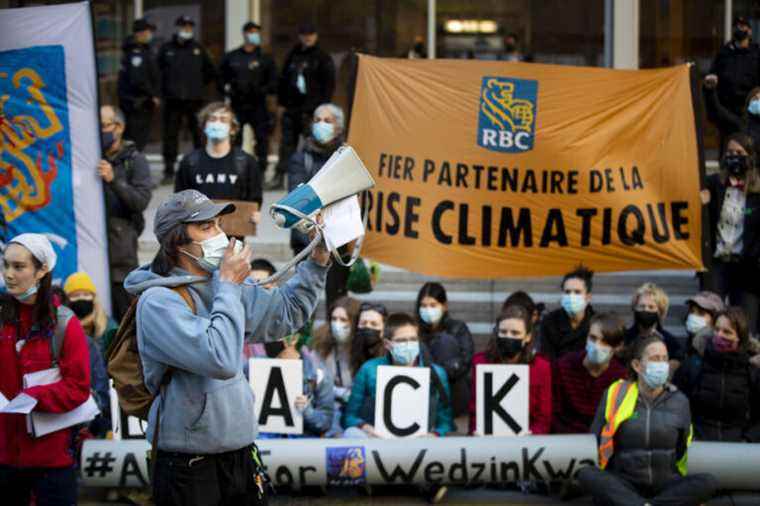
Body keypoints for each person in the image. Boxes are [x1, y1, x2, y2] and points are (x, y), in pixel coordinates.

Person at [122, 189, 330, 505]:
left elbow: (288, 313)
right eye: (206, 228)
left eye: (219, 225)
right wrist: (230, 286)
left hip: (240, 451)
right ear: (177, 242)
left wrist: (317, 261)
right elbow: (218, 358)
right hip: (187, 462)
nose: (220, 235)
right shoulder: (157, 302)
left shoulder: (224, 283)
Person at [0, 234, 90, 504]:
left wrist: (34, 396)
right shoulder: (3, 320)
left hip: (52, 461)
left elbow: (78, 387)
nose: (9, 274)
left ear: (41, 270)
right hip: (5, 457)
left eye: (19, 267)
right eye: (5, 265)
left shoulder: (65, 324)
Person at [577, 336, 718, 506]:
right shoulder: (616, 395)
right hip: (625, 482)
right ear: (637, 365)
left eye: (664, 359)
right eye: (654, 359)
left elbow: (682, 448)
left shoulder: (680, 401)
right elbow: (596, 437)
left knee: (708, 482)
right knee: (587, 474)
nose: (661, 364)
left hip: (666, 484)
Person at [342, 312, 455, 438]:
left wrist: (434, 434)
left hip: (422, 443)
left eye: (413, 339)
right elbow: (349, 416)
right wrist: (365, 427)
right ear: (387, 344)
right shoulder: (369, 369)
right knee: (351, 434)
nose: (408, 345)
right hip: (377, 439)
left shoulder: (436, 373)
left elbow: (445, 423)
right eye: (401, 340)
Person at [286, 103, 350, 308]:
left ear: (339, 127)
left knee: (337, 301)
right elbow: (298, 197)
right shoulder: (300, 158)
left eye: (328, 121)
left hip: (338, 241)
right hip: (305, 240)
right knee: (303, 298)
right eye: (317, 120)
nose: (321, 124)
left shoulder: (347, 158)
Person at [701, 132, 760, 335]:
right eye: (730, 152)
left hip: (747, 266)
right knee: (707, 317)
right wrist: (703, 204)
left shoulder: (757, 190)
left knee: (745, 324)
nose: (734, 156)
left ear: (750, 156)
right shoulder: (712, 183)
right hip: (718, 262)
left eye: (739, 152)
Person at [99, 105, 153, 321]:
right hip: (91, 249)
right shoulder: (86, 156)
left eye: (104, 126)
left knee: (124, 319)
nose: (100, 131)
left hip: (121, 255)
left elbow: (140, 201)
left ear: (119, 127)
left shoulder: (135, 160)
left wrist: (114, 180)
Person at [675, 307, 760, 442]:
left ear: (739, 338)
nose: (719, 335)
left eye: (727, 332)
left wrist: (748, 440)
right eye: (716, 329)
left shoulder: (752, 371)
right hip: (698, 448)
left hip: (740, 453)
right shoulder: (693, 365)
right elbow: (676, 407)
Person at [174, 102, 263, 229]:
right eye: (213, 119)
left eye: (223, 120)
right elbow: (180, 199)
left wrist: (255, 213)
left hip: (234, 236)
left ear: (232, 129)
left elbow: (255, 197)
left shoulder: (246, 162)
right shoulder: (189, 161)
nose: (217, 123)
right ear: (204, 126)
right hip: (198, 236)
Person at [268, 23, 336, 190]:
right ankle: (280, 177)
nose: (308, 37)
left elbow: (329, 84)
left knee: (313, 145)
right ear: (300, 36)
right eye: (305, 34)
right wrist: (281, 104)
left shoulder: (322, 57)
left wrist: (322, 109)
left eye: (311, 34)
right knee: (287, 146)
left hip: (312, 110)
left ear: (316, 36)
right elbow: (283, 80)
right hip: (292, 109)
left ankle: (314, 177)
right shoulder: (293, 55)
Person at [468, 305, 552, 435]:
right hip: (486, 439)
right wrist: (476, 431)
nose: (508, 337)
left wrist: (533, 433)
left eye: (515, 333)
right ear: (497, 333)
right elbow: (475, 409)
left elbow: (544, 416)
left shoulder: (541, 367)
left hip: (527, 442)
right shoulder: (480, 362)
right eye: (503, 332)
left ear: (528, 337)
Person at [158, 15, 217, 185]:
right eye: (184, 26)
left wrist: (197, 86)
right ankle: (169, 170)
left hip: (194, 100)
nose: (187, 29)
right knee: (170, 135)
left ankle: (201, 167)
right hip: (172, 100)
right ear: (177, 28)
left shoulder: (199, 49)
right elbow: (157, 72)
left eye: (190, 27)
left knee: (198, 134)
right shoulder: (166, 49)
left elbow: (210, 72)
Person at [552, 313, 627, 434]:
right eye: (593, 338)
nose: (597, 346)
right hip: (564, 441)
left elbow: (622, 418)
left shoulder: (620, 377)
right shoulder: (563, 366)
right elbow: (554, 412)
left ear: (617, 347)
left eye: (605, 342)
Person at [219, 21, 277, 175]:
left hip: (258, 105)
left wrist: (261, 90)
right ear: (244, 33)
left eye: (256, 32)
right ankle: (235, 169)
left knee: (261, 139)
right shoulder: (232, 57)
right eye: (251, 31)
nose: (253, 35)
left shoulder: (265, 58)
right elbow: (220, 79)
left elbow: (273, 82)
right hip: (237, 104)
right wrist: (227, 93)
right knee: (235, 138)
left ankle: (261, 171)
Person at [63, 272, 115, 433]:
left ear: (94, 298)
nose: (82, 299)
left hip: (103, 404)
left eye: (86, 294)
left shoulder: (110, 330)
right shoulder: (60, 331)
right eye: (76, 295)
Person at [256, 337, 335, 438]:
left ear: (294, 339)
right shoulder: (255, 368)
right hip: (266, 440)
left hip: (302, 443)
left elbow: (326, 423)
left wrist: (307, 411)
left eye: (279, 335)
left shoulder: (318, 374)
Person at [415, 282, 474, 417]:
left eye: (433, 305)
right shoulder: (414, 330)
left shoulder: (458, 328)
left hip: (452, 391)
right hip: (421, 393)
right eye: (423, 306)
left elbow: (465, 362)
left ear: (444, 306)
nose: (428, 309)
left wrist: (436, 373)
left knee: (444, 341)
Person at [705, 16, 760, 152]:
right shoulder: (724, 54)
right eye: (737, 26)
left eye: (743, 26)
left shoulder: (756, 54)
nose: (740, 29)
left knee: (749, 153)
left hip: (751, 116)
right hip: (727, 116)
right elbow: (712, 80)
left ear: (750, 30)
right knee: (728, 154)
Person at [311, 296, 361, 436]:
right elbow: (317, 380)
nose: (337, 324)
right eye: (334, 319)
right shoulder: (321, 345)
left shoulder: (362, 347)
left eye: (343, 319)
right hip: (330, 406)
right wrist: (340, 392)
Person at [117, 17, 160, 152]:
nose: (149, 35)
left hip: (138, 103)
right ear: (140, 33)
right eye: (147, 31)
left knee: (135, 139)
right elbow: (137, 79)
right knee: (135, 140)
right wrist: (152, 95)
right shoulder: (136, 53)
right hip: (137, 103)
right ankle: (132, 168)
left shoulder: (142, 50)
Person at [540, 265, 595, 360]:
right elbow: (547, 358)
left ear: (588, 297)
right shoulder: (549, 322)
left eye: (577, 292)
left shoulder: (596, 322)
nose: (571, 296)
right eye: (567, 292)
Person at [624, 282, 683, 368]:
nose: (646, 310)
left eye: (651, 307)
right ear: (634, 308)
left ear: (660, 312)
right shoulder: (625, 339)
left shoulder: (671, 342)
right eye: (641, 306)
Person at [350, 302, 388, 376]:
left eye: (374, 324)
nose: (368, 327)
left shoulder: (389, 356)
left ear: (383, 329)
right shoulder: (350, 352)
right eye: (363, 323)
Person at [682, 291, 725, 356]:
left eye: (701, 313)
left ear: (715, 319)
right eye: (692, 311)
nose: (693, 316)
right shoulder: (691, 340)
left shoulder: (715, 345)